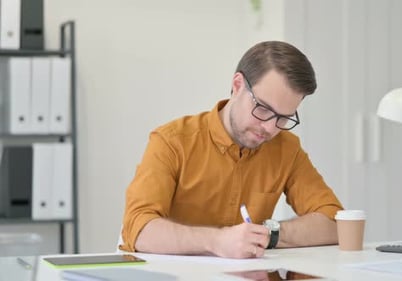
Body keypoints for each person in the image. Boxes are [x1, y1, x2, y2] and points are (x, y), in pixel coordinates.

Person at [120, 41, 343, 259]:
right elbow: (140, 229)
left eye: (283, 118)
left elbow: (336, 223)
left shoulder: (286, 148)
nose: (269, 128)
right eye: (263, 109)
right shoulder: (172, 142)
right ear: (237, 85)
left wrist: (268, 234)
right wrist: (217, 241)